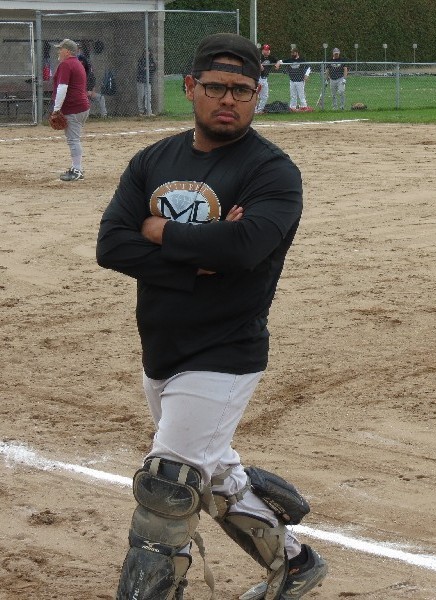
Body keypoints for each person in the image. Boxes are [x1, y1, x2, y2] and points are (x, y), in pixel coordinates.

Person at [96, 32, 328, 600]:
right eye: (217, 86)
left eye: (243, 90)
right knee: (217, 477)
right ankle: (296, 564)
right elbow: (112, 244)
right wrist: (198, 256)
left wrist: (160, 231)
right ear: (191, 87)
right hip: (161, 346)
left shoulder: (272, 171)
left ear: (257, 94)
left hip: (225, 351)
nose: (229, 99)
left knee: (168, 483)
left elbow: (244, 249)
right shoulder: (153, 160)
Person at [51, 38, 90, 182]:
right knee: (74, 138)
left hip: (73, 108)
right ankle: (76, 168)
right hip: (81, 107)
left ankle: (77, 170)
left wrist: (56, 109)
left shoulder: (66, 64)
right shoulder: (77, 63)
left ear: (67, 51)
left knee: (73, 140)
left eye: (61, 49)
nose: (58, 51)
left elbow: (62, 88)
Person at [77, 47, 107, 118]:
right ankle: (84, 116)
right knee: (84, 100)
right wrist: (84, 92)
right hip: (79, 92)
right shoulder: (75, 67)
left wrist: (92, 91)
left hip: (88, 91)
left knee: (101, 98)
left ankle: (104, 116)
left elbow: (93, 79)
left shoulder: (88, 68)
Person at [256, 44, 282, 113]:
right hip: (258, 78)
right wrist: (259, 64)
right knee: (256, 95)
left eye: (268, 50)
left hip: (265, 79)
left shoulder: (271, 58)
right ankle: (254, 110)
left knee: (265, 96)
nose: (267, 51)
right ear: (262, 50)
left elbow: (278, 60)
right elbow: (253, 60)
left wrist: (277, 64)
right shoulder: (259, 57)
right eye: (265, 50)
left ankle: (259, 110)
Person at [284, 47, 310, 111]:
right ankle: (293, 107)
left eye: (293, 52)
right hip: (292, 81)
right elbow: (281, 61)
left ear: (297, 53)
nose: (292, 54)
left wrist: (306, 75)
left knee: (301, 95)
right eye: (291, 53)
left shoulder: (302, 60)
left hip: (300, 81)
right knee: (293, 95)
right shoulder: (290, 60)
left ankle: (304, 107)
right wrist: (278, 63)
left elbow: (309, 67)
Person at [137, 50, 157, 115]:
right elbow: (141, 69)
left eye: (148, 51)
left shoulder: (151, 60)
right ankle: (141, 111)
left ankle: (149, 111)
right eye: (145, 52)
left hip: (148, 81)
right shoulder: (141, 60)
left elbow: (154, 68)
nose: (147, 53)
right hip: (141, 80)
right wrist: (147, 68)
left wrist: (147, 68)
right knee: (141, 95)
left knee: (148, 96)